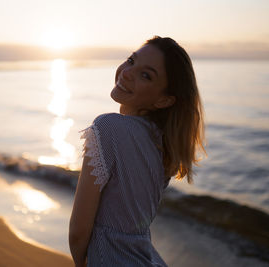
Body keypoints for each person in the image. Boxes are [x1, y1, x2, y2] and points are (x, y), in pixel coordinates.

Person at [69, 36, 206, 267]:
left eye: (146, 75)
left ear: (164, 100)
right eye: (131, 61)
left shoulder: (109, 127)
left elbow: (78, 231)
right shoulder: (163, 144)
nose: (127, 73)